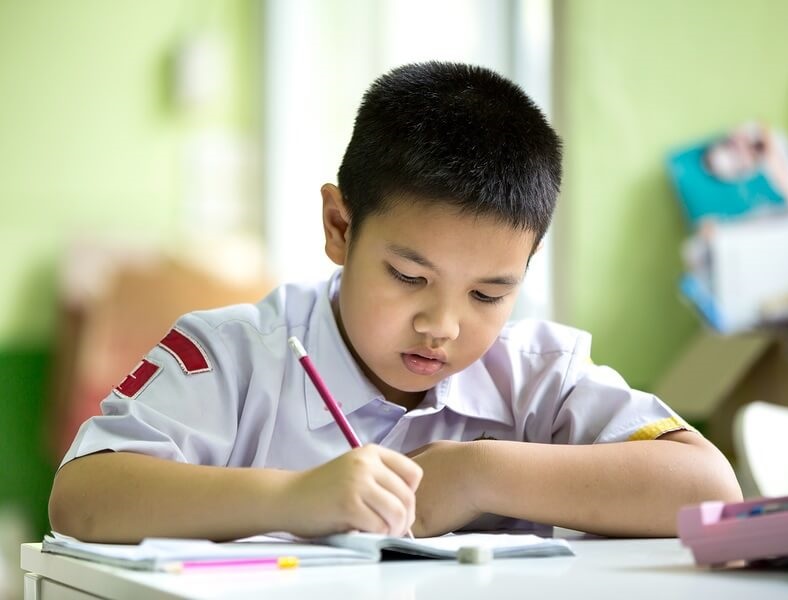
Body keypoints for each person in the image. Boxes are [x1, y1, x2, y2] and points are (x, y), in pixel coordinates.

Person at [49, 62, 742, 543]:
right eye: (409, 277)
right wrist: (295, 498)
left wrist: (478, 473)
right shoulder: (232, 356)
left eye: (488, 293)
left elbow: (710, 489)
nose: (442, 326)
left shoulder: (535, 372)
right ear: (340, 228)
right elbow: (82, 499)